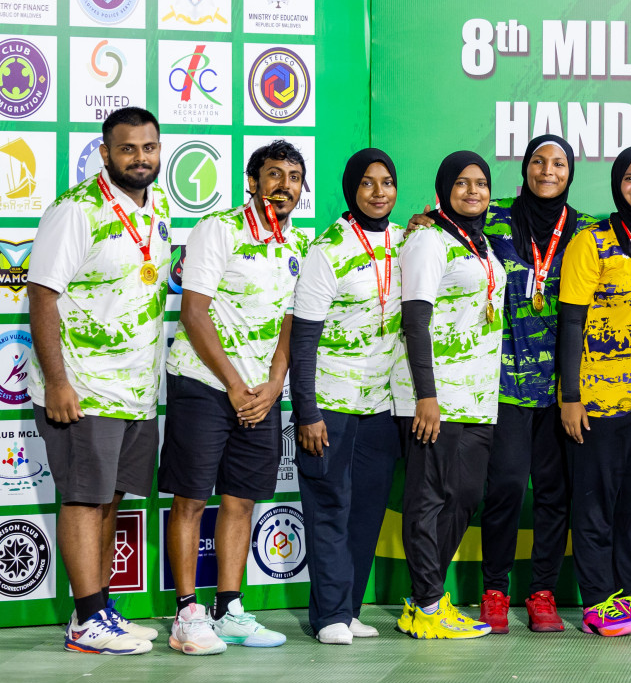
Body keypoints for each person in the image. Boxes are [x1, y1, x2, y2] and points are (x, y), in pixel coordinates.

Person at [27, 106, 170, 654]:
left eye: (149, 148)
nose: (140, 158)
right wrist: (58, 384)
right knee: (85, 500)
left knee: (109, 498)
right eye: (128, 149)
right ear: (105, 152)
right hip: (83, 387)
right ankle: (86, 621)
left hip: (135, 389)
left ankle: (99, 608)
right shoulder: (75, 210)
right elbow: (42, 295)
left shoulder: (154, 209)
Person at [160, 140, 309, 654]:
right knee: (191, 499)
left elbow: (292, 323)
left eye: (293, 176)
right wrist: (233, 384)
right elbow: (193, 313)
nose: (283, 185)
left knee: (241, 500)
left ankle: (229, 609)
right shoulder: (219, 228)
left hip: (260, 395)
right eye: (273, 174)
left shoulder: (298, 247)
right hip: (204, 386)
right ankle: (186, 614)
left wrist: (272, 385)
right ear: (252, 181)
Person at [290, 149, 407, 645]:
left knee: (366, 510)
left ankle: (351, 607)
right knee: (329, 506)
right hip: (331, 404)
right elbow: (303, 338)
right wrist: (307, 411)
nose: (378, 192)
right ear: (350, 190)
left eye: (387, 182)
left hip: (381, 405)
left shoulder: (407, 241)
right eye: (367, 183)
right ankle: (330, 615)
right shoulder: (328, 248)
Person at [478, 135, 591, 634]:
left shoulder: (587, 230)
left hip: (563, 389)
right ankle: (495, 590)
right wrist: (422, 222)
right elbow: (446, 228)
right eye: (538, 162)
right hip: (502, 382)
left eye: (559, 163)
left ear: (570, 172)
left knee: (553, 492)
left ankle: (542, 591)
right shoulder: (494, 215)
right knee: (504, 488)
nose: (548, 171)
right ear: (524, 168)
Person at [559, 146, 631, 637]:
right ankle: (597, 603)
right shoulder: (592, 242)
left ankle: (627, 594)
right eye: (630, 178)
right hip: (597, 400)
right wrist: (570, 396)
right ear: (616, 185)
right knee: (595, 503)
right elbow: (570, 320)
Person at [395, 151, 506, 640]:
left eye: (480, 183)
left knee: (464, 497)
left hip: (480, 394)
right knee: (429, 498)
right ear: (444, 189)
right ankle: (425, 603)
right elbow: (415, 320)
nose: (473, 191)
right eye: (461, 183)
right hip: (434, 394)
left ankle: (430, 598)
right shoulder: (428, 239)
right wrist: (427, 396)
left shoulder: (480, 241)